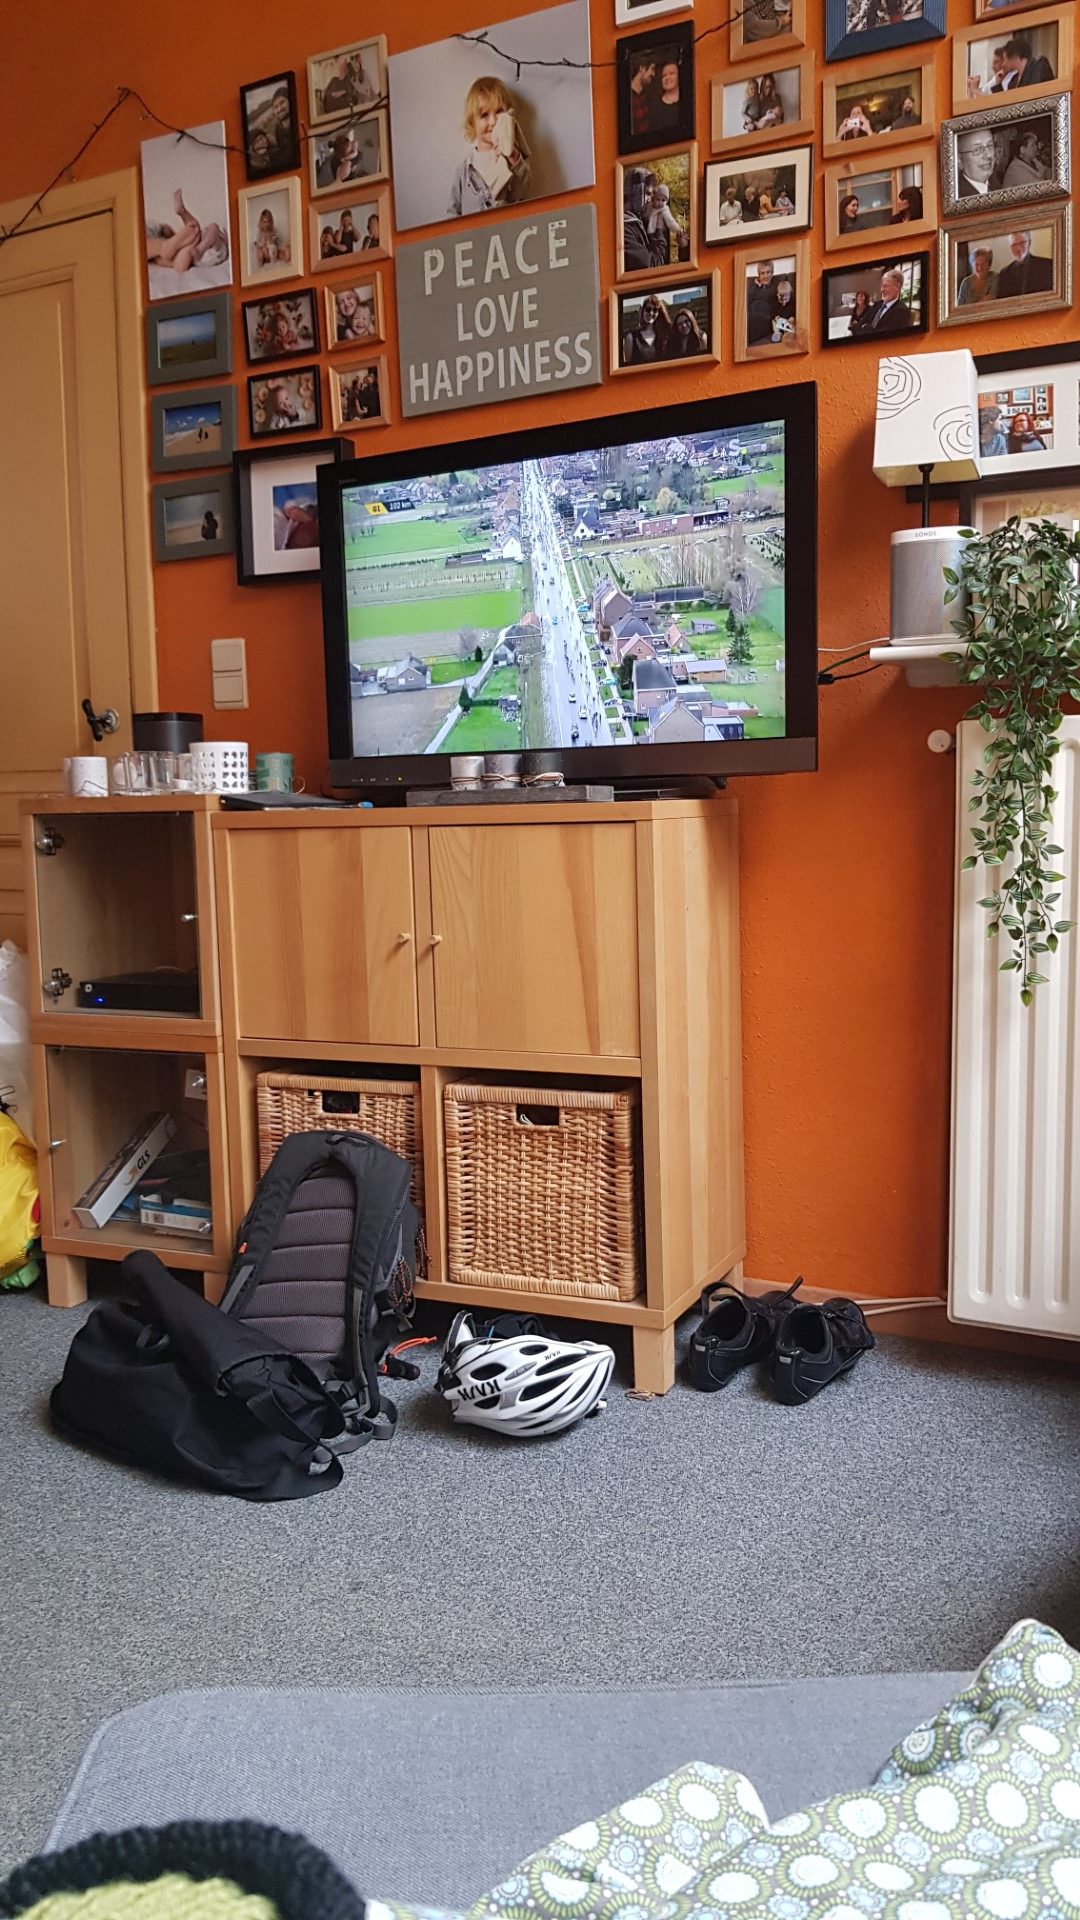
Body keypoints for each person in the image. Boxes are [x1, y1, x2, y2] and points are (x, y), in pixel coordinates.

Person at [448, 75, 531, 217]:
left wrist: (513, 157)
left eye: (499, 112)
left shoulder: (512, 158)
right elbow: (453, 210)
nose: (493, 122)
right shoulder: (464, 169)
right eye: (484, 115)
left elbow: (522, 193)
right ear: (472, 123)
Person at [145, 188, 229, 275]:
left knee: (192, 234)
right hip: (196, 253)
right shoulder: (214, 244)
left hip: (188, 257)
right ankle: (183, 213)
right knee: (209, 226)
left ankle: (183, 215)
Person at [996, 229, 1054, 297]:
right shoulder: (1004, 273)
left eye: (1022, 243)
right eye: (1014, 245)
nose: (1018, 248)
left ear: (1029, 243)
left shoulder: (1047, 265)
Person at [621, 292, 672, 364]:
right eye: (648, 309)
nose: (651, 313)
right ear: (642, 311)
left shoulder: (665, 336)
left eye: (655, 310)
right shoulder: (631, 338)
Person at [622, 168, 656, 273]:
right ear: (636, 193)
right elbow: (651, 266)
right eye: (648, 194)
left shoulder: (639, 224)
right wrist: (660, 230)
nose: (651, 200)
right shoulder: (624, 228)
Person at [862, 266, 913, 332]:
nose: (882, 290)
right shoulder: (877, 304)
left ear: (897, 287)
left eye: (886, 286)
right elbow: (861, 322)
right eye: (882, 286)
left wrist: (865, 326)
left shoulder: (903, 312)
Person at [647, 181, 686, 266]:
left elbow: (670, 221)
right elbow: (645, 214)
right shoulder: (649, 207)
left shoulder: (664, 210)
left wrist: (677, 229)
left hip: (657, 234)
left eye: (663, 200)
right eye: (658, 199)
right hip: (648, 233)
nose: (660, 202)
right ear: (653, 199)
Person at [956, 127, 1001, 199]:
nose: (988, 155)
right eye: (977, 150)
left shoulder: (996, 181)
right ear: (959, 160)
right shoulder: (957, 197)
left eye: (990, 145)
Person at [746, 259, 778, 344]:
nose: (765, 276)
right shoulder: (754, 287)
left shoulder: (776, 287)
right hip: (751, 316)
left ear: (772, 274)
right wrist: (757, 286)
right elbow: (747, 302)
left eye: (768, 272)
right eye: (762, 273)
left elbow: (770, 298)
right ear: (759, 276)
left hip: (764, 318)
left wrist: (762, 287)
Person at [263, 87, 295, 169]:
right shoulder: (278, 129)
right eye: (275, 107)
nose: (279, 109)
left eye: (282, 102)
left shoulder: (298, 125)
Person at [628, 55, 658, 139]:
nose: (654, 74)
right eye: (652, 69)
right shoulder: (628, 98)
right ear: (642, 68)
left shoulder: (646, 97)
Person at [253, 205, 289, 272]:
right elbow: (256, 241)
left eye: (268, 222)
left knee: (279, 252)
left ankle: (285, 256)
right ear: (261, 222)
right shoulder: (260, 232)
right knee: (259, 253)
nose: (266, 224)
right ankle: (261, 265)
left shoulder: (273, 230)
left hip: (273, 252)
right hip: (264, 251)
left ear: (271, 222)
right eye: (264, 222)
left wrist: (274, 240)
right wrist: (260, 244)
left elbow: (276, 239)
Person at [655, 60, 683, 133]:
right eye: (664, 75)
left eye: (671, 73)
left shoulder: (687, 101)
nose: (667, 78)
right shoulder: (654, 106)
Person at [770, 277, 797, 343]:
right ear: (778, 295)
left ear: (790, 293)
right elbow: (774, 312)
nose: (784, 297)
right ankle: (777, 333)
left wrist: (792, 317)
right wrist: (776, 317)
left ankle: (788, 334)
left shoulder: (793, 302)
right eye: (782, 295)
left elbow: (794, 312)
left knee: (792, 322)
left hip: (789, 322)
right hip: (780, 322)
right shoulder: (776, 303)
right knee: (773, 321)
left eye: (786, 295)